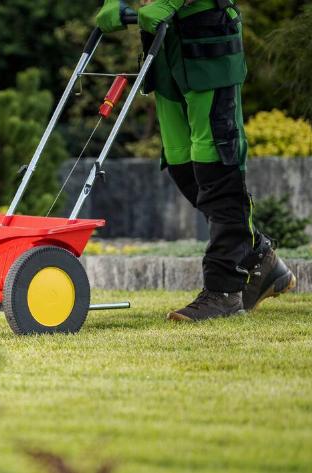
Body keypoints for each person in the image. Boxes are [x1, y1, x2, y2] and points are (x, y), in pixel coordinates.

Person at [96, 0, 297, 321]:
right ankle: (258, 254)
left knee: (215, 157)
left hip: (208, 37)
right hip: (163, 42)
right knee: (181, 163)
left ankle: (224, 290)